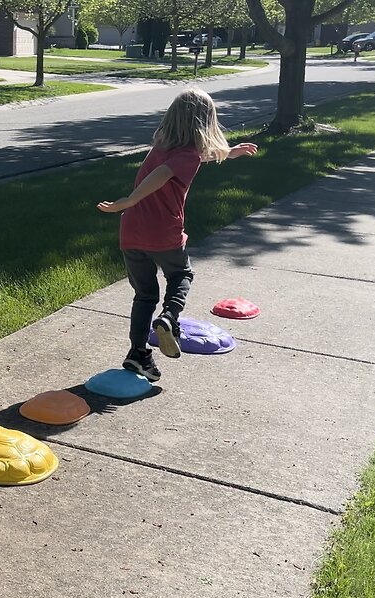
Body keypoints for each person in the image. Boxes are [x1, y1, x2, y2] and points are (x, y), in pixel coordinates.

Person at [97, 88, 258, 381]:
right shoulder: (185, 157)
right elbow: (162, 176)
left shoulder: (161, 147)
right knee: (181, 275)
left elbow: (190, 158)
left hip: (131, 231)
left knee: (144, 295)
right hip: (163, 232)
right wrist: (129, 199)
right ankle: (169, 319)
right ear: (205, 123)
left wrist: (228, 153)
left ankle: (137, 355)